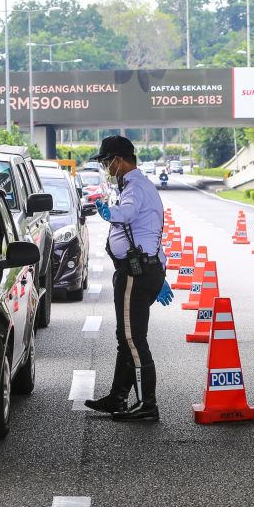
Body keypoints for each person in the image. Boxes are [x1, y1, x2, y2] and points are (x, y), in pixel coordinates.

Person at [84, 135, 172, 421]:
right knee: (127, 338)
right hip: (143, 270)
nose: (106, 167)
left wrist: (111, 213)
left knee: (133, 340)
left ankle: (148, 405)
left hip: (136, 274)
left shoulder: (134, 186)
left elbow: (130, 213)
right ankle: (118, 398)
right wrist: (161, 270)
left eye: (107, 161)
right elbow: (151, 232)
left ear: (119, 160)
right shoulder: (138, 185)